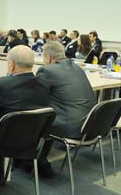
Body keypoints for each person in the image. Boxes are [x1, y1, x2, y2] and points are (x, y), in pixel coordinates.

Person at [0, 46, 49, 184]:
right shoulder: (44, 84)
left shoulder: (0, 84)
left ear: (12, 64)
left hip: (2, 142)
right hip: (31, 140)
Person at [36, 41, 96, 176]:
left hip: (72, 126)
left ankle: (38, 162)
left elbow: (36, 96)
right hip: (91, 124)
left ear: (49, 58)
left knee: (36, 117)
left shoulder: (47, 70)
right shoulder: (77, 68)